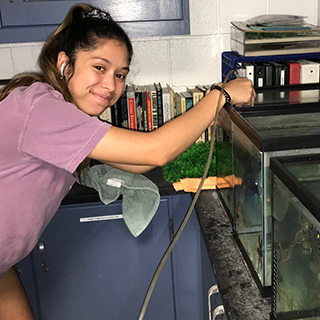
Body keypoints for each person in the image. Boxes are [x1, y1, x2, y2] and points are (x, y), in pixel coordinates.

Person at [0, 3, 255, 319]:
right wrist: (220, 96)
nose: (110, 85)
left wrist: (201, 128)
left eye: (120, 74)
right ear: (65, 63)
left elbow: (137, 162)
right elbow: (153, 151)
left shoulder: (62, 110)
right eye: (99, 67)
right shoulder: (41, 108)